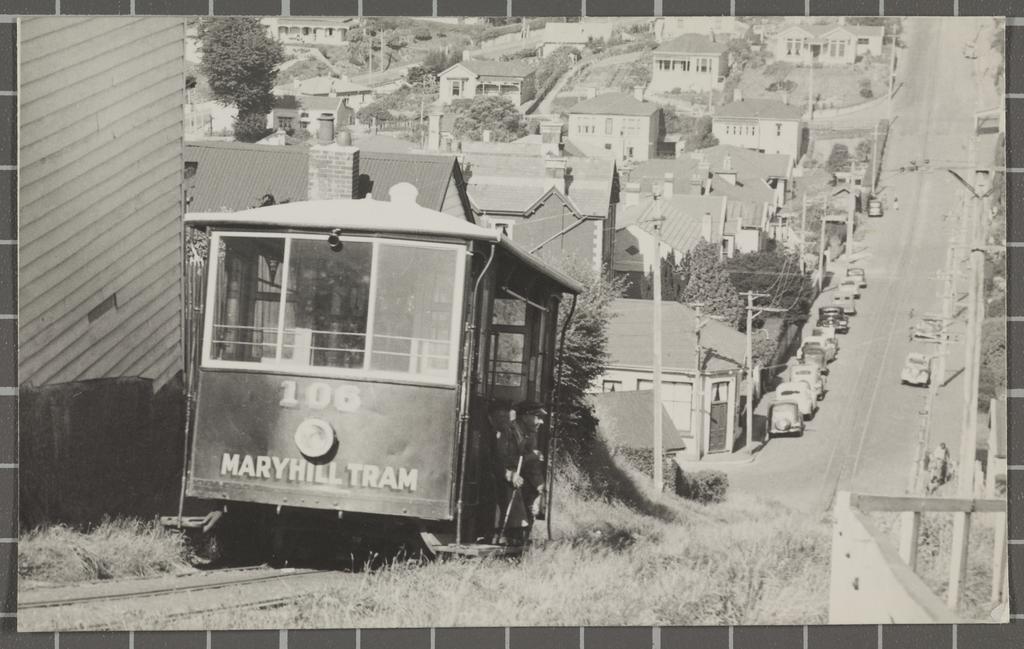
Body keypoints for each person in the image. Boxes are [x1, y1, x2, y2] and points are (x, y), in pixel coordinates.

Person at [489, 400, 530, 546]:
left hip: (503, 472)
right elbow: (493, 460)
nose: (504, 421)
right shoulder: (492, 434)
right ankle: (499, 532)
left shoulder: (508, 431)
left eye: (506, 417)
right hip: (491, 474)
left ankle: (511, 532)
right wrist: (509, 474)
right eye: (500, 418)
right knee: (500, 489)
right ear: (491, 417)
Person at [511, 400, 548, 523]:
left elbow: (533, 467)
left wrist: (540, 486)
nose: (541, 422)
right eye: (538, 417)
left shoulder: (530, 435)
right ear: (526, 417)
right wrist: (531, 456)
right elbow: (507, 461)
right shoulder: (512, 433)